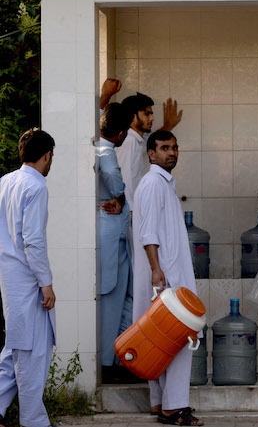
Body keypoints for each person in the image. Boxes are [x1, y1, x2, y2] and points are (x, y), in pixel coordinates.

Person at [131, 130, 204, 426]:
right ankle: (174, 408)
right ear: (151, 153)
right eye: (164, 148)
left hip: (167, 277)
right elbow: (148, 232)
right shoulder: (152, 183)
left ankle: (160, 402)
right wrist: (156, 270)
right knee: (176, 340)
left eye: (175, 147)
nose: (171, 152)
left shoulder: (163, 184)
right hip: (164, 278)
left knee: (160, 340)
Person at [0, 129, 57, 427]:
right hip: (28, 282)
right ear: (47, 155)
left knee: (14, 350)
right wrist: (45, 282)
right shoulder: (36, 186)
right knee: (32, 355)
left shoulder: (5, 181)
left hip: (10, 280)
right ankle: (34, 421)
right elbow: (33, 240)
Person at [96, 102, 136, 384]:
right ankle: (109, 364)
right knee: (112, 299)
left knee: (124, 297)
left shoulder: (96, 145)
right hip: (111, 233)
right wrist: (120, 195)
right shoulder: (106, 151)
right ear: (121, 134)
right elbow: (111, 174)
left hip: (112, 232)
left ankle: (118, 359)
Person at [115, 89, 183, 207]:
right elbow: (124, 178)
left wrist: (168, 126)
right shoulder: (129, 141)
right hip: (128, 210)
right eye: (147, 114)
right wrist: (131, 210)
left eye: (151, 114)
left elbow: (150, 141)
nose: (152, 118)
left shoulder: (136, 140)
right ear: (132, 116)